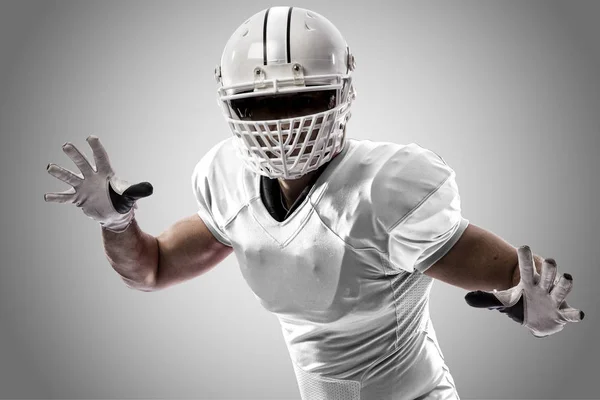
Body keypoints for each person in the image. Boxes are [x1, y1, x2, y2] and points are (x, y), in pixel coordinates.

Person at [44, 6, 584, 400]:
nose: (284, 126)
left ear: (343, 93)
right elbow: (152, 269)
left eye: (304, 98)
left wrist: (525, 307)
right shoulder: (228, 180)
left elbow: (515, 277)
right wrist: (117, 223)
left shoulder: (385, 188)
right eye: (261, 105)